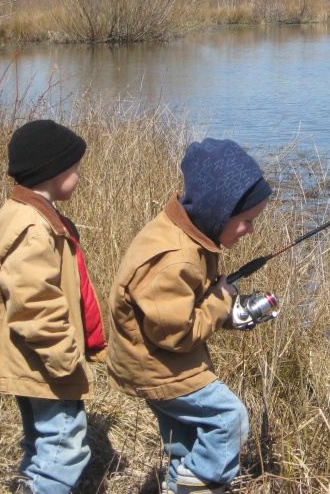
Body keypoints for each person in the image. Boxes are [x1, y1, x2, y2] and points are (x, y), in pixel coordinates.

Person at [106, 137, 273, 494]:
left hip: (161, 361)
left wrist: (225, 309)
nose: (251, 231)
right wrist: (220, 300)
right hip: (159, 367)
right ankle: (202, 486)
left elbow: (183, 310)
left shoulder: (192, 233)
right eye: (246, 221)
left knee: (186, 443)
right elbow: (177, 334)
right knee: (230, 420)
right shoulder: (175, 259)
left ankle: (180, 484)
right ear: (219, 210)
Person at [0, 119, 106, 494]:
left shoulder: (24, 213)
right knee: (65, 446)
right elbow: (34, 304)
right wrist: (65, 359)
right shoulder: (34, 227)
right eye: (75, 168)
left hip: (32, 358)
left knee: (41, 442)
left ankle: (27, 484)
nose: (79, 176)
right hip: (46, 362)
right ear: (53, 173)